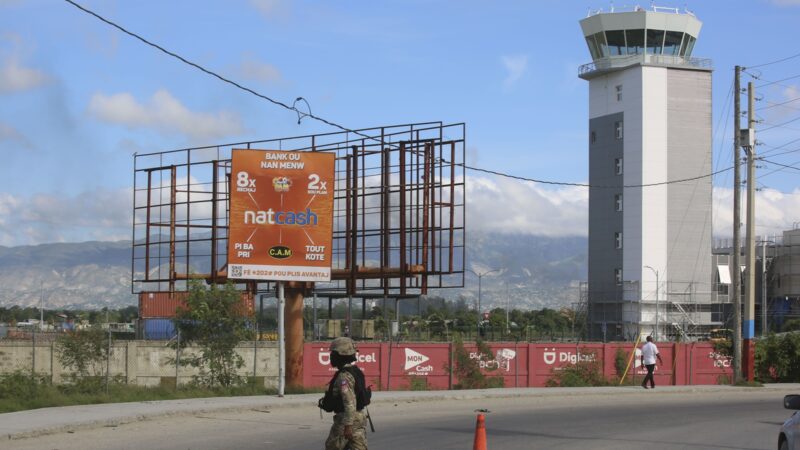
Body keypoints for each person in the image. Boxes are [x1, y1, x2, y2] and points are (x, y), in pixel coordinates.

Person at [323, 337, 368, 450]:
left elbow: (349, 402)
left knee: (332, 447)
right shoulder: (356, 371)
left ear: (340, 355)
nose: (331, 356)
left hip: (347, 420)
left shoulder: (344, 376)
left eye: (333, 353)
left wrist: (348, 426)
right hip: (359, 418)